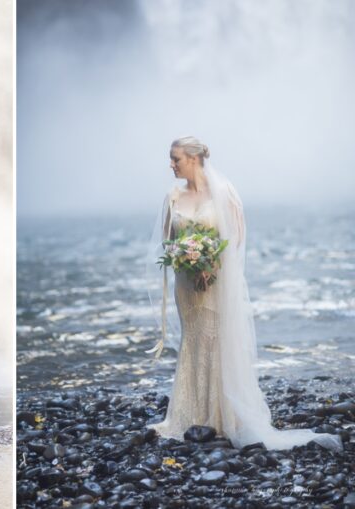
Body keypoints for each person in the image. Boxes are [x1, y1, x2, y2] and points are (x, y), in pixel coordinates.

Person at [145, 136, 339, 451]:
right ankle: (188, 415)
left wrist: (210, 262)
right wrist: (184, 255)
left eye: (175, 158)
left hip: (214, 281)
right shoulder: (172, 196)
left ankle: (222, 417)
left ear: (193, 159)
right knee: (193, 340)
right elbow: (167, 240)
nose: (171, 164)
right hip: (186, 284)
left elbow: (235, 240)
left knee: (215, 340)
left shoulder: (224, 193)